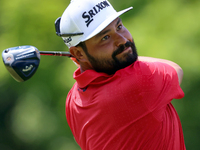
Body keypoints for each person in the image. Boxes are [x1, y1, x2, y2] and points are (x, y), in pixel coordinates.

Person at [56, 0, 185, 149]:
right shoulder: (139, 83)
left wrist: (85, 60)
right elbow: (175, 69)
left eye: (119, 27)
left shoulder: (73, 100)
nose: (122, 40)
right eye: (105, 38)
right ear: (78, 53)